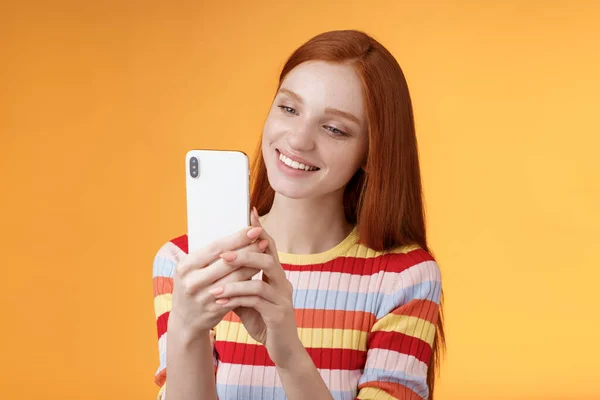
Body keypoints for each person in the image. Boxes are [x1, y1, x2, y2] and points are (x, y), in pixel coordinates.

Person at [152, 29, 445, 400]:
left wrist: (289, 352)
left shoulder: (404, 279)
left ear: (373, 153)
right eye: (289, 109)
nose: (299, 139)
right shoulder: (183, 263)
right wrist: (186, 332)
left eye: (335, 129)